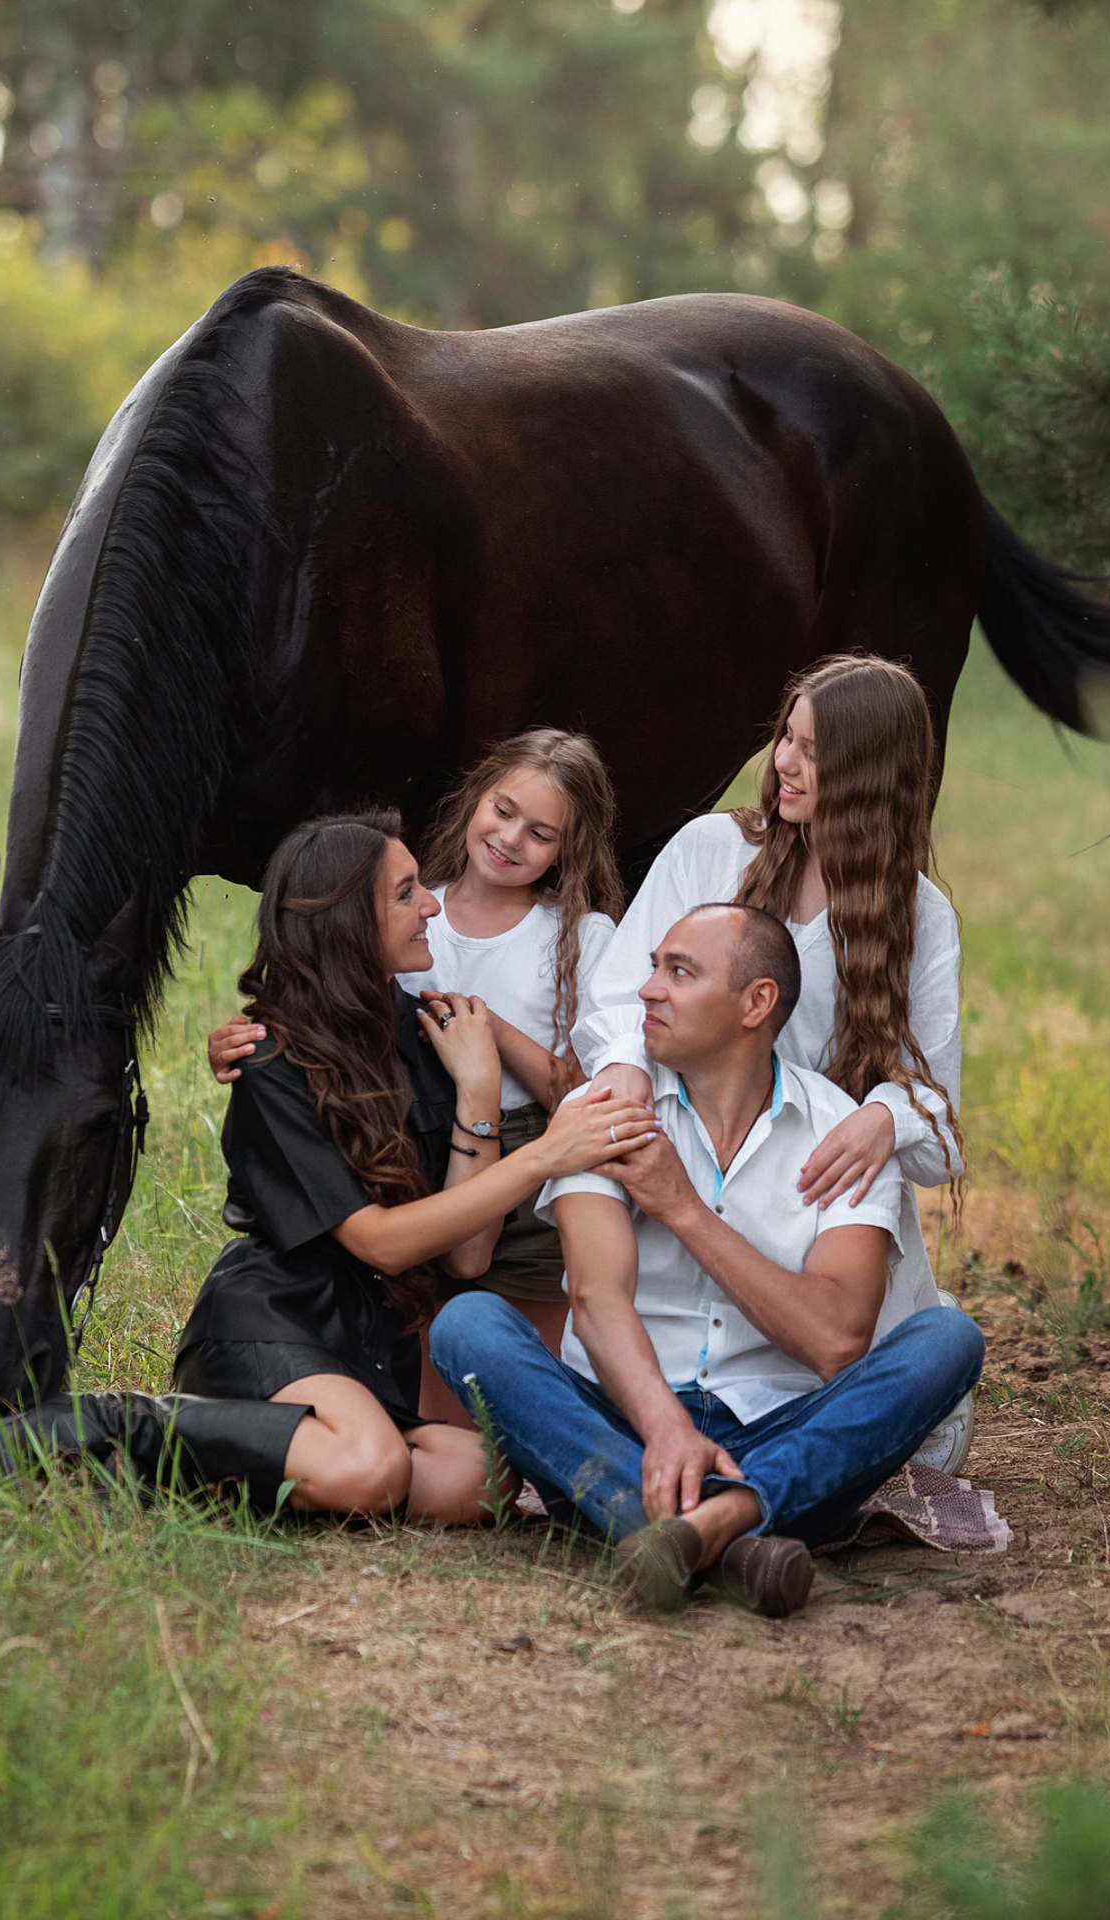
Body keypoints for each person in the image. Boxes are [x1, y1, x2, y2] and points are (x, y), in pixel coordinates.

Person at [429, 904, 985, 1616]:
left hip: (784, 1433)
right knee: (469, 1325)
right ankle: (738, 1530)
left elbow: (835, 1341)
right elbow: (598, 1303)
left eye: (679, 972)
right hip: (625, 1424)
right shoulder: (603, 1108)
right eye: (654, 966)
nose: (648, 990)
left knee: (948, 1339)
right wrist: (665, 1430)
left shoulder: (839, 1131)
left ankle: (684, 1523)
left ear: (756, 1003)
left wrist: (683, 1209)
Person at [170, 811, 657, 1524]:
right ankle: (136, 1425)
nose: (431, 902)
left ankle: (273, 1467)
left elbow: (466, 1256)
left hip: (373, 1338)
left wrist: (479, 1092)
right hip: (273, 1320)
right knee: (372, 1467)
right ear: (344, 921)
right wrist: (549, 1154)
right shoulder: (271, 1059)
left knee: (478, 1481)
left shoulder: (436, 1034)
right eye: (405, 893)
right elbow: (381, 1242)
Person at [577, 653, 974, 1471]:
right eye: (785, 737)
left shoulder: (919, 916)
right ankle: (721, 1465)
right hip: (689, 1150)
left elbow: (941, 1127)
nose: (783, 764)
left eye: (814, 751)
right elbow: (617, 999)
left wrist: (881, 1117)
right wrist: (620, 1062)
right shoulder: (710, 851)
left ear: (871, 775)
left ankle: (743, 1483)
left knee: (931, 1363)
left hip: (814, 1200)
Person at [210, 731, 623, 1417]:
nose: (512, 838)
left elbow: (579, 1087)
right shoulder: (406, 904)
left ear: (570, 849)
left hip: (521, 1143)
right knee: (429, 1366)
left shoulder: (578, 936)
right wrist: (247, 1041)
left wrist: (485, 1037)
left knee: (508, 1390)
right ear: (475, 796)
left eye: (541, 832)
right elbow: (320, 1009)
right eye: (503, 809)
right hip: (414, 1137)